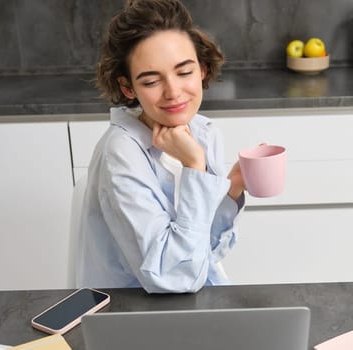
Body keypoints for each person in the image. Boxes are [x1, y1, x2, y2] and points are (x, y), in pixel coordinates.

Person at [75, 0, 245, 293]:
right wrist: (195, 167)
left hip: (195, 302)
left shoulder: (202, 132)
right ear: (129, 88)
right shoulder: (122, 153)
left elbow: (202, 252)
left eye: (184, 72)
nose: (173, 92)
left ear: (202, 69)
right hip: (136, 316)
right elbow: (174, 278)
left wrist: (232, 189)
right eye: (152, 80)